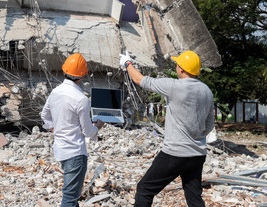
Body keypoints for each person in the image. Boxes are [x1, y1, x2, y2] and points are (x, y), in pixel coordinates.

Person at [119, 50, 214, 207]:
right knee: (194, 197)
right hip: (197, 154)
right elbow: (209, 125)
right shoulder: (207, 92)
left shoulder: (174, 86)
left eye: (177, 65)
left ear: (181, 69)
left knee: (144, 189)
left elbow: (139, 79)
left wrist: (127, 63)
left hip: (174, 153)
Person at [41, 53, 104, 207]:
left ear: (64, 72)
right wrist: (98, 126)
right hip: (75, 153)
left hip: (61, 151)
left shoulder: (55, 92)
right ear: (83, 76)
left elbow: (44, 115)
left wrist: (54, 129)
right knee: (70, 198)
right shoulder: (81, 99)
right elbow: (88, 132)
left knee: (72, 195)